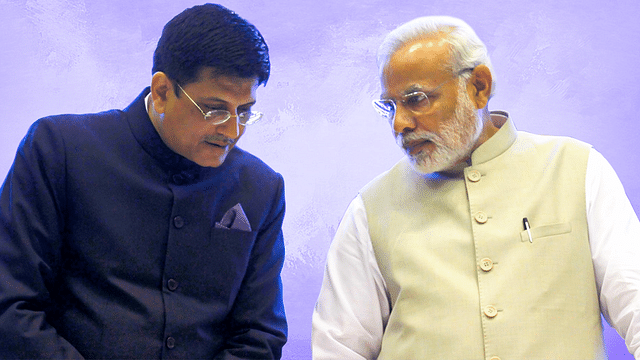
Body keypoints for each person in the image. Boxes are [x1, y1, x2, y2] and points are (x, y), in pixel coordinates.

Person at [312, 15, 640, 359]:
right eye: (389, 107)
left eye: (416, 99)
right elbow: (338, 349)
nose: (400, 124)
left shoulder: (578, 169)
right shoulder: (371, 208)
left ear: (478, 87)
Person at [0, 4, 287, 359]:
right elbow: (11, 304)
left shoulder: (261, 188)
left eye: (244, 112)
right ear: (163, 90)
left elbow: (260, 334)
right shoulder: (59, 149)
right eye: (215, 109)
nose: (232, 131)